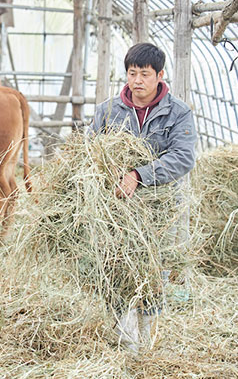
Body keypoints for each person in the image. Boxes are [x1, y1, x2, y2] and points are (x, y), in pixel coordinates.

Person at [89, 42, 197, 353]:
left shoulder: (178, 113)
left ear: (160, 75)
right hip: (116, 208)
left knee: (153, 270)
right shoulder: (108, 111)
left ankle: (148, 339)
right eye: (132, 73)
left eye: (144, 74)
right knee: (116, 266)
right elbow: (88, 148)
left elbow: (183, 157)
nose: (137, 81)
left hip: (159, 208)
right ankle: (124, 337)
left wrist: (139, 175)